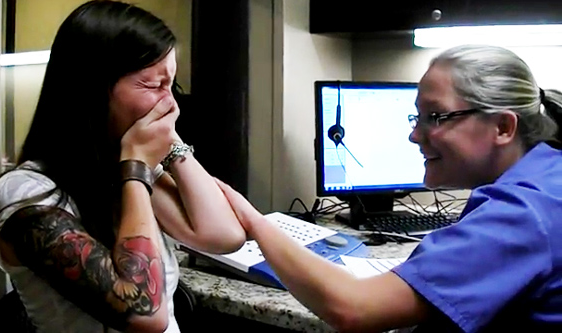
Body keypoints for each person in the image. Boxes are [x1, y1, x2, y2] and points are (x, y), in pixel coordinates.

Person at [215, 44, 562, 332]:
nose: (414, 134)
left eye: (436, 117)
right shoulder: (548, 177)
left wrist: (256, 222)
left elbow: (354, 308)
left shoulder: (520, 214)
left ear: (503, 126)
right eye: (417, 117)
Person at [0, 1, 246, 332]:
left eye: (172, 85)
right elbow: (144, 311)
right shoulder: (25, 195)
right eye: (154, 85)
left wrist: (169, 142)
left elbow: (224, 235)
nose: (171, 103)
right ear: (94, 90)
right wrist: (136, 166)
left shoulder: (126, 172)